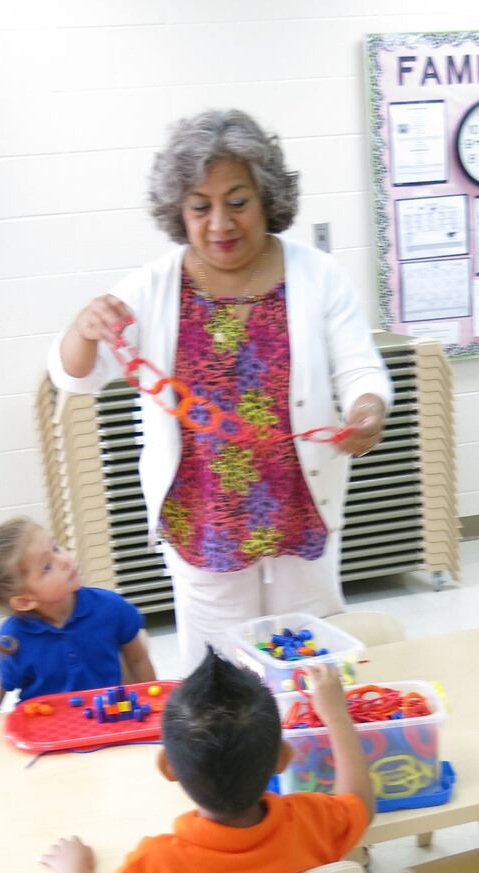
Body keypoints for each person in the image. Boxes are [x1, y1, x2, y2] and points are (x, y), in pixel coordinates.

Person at [49, 109, 394, 671]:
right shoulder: (154, 287)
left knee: (312, 660)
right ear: (178, 212)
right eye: (200, 206)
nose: (220, 224)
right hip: (203, 515)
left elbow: (361, 370)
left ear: (267, 199)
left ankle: (312, 751)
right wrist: (83, 329)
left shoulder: (318, 275)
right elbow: (75, 375)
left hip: (298, 506)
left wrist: (367, 409)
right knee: (221, 674)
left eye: (238, 202)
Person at [41, 650, 373, 873]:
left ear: (166, 767)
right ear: (283, 759)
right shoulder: (311, 819)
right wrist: (337, 716)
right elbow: (360, 803)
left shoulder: (154, 866)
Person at [0, 517, 156, 725]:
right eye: (47, 566)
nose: (64, 560)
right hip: (47, 736)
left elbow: (138, 659)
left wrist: (152, 706)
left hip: (107, 724)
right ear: (25, 601)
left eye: (56, 548)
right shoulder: (12, 639)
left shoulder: (110, 607)